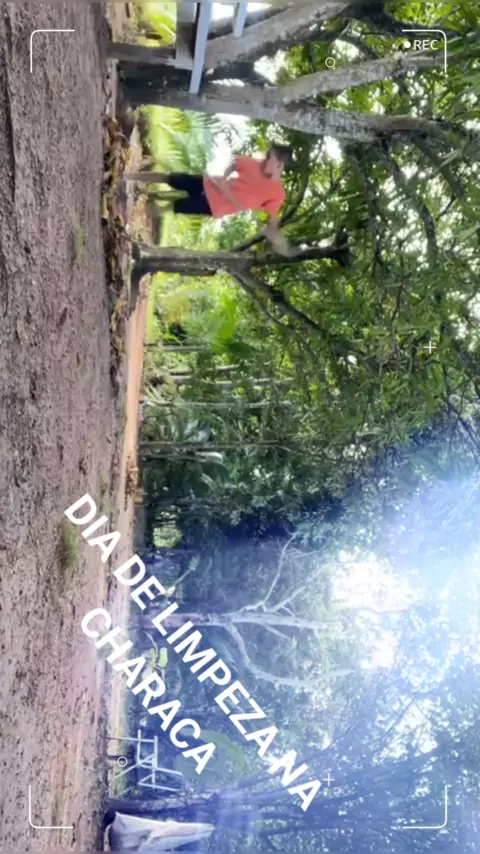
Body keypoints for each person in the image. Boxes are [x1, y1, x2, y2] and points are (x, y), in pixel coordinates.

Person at [126, 144, 294, 255]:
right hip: (208, 184)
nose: (264, 160)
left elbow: (271, 219)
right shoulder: (256, 165)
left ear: (279, 165)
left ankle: (131, 217)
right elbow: (234, 163)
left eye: (269, 158)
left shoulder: (277, 194)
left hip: (213, 206)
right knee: (169, 178)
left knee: (172, 206)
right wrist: (224, 177)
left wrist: (278, 241)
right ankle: (128, 176)